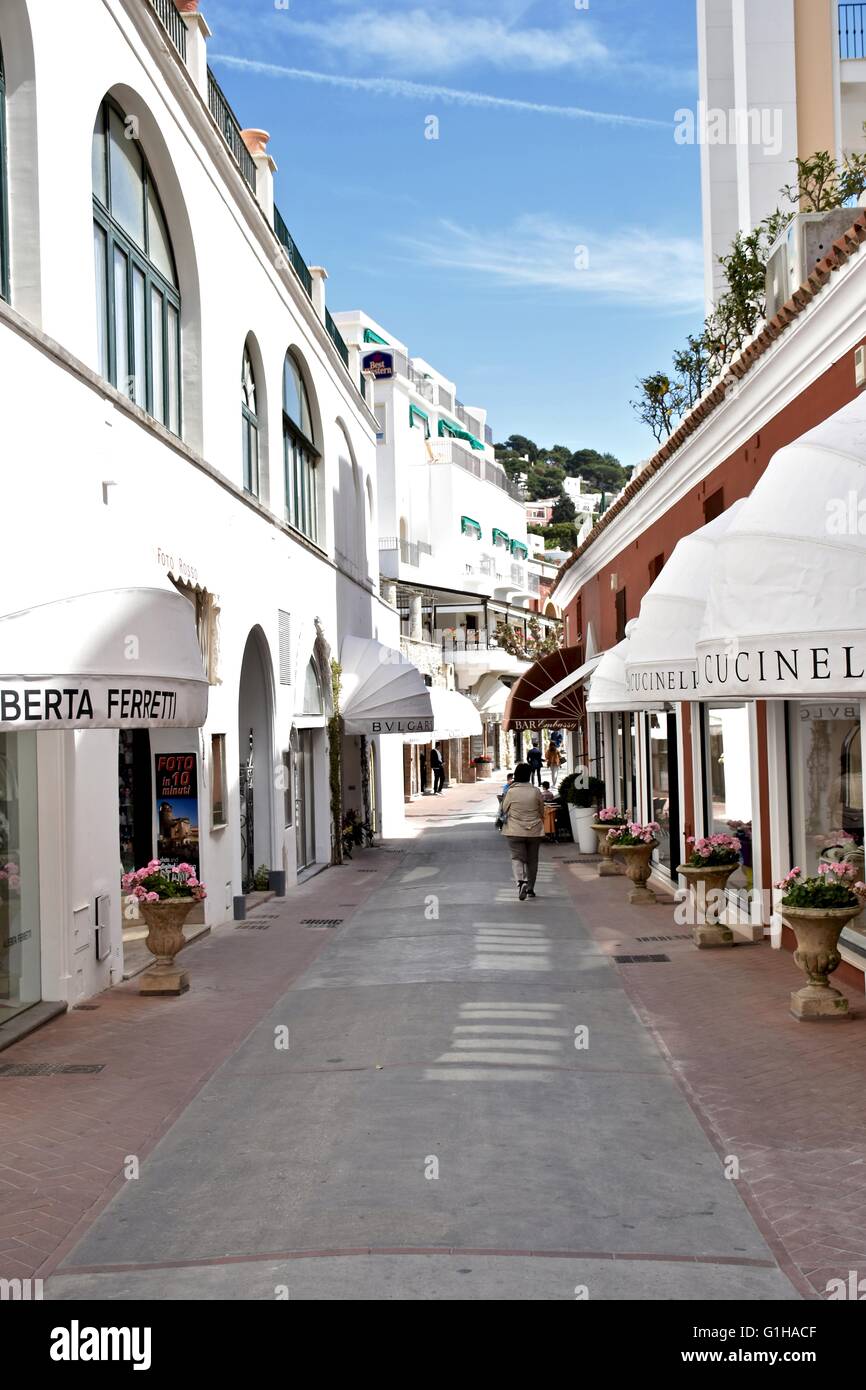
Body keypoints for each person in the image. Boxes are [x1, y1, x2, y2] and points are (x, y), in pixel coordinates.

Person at [501, 762, 545, 900]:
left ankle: (521, 882)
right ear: (529, 775)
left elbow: (504, 809)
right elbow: (541, 811)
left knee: (517, 857)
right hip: (534, 831)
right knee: (532, 860)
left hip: (514, 830)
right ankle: (530, 888)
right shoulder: (536, 791)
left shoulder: (511, 791)